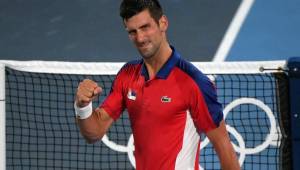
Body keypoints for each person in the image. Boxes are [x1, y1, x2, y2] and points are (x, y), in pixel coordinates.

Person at [74, 0, 240, 169]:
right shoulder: (127, 75)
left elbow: (225, 149)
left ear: (163, 23)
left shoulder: (194, 83)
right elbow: (93, 133)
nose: (140, 38)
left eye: (145, 27)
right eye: (132, 32)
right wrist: (83, 106)